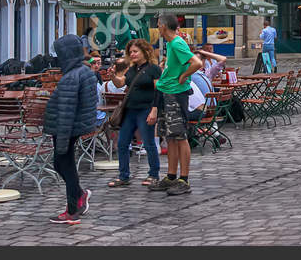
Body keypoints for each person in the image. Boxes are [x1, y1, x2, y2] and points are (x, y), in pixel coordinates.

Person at [43, 34, 98, 225]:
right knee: (61, 164)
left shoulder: (71, 78)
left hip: (65, 128)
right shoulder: (85, 72)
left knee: (64, 164)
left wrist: (62, 140)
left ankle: (72, 209)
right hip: (74, 127)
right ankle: (80, 195)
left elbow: (66, 112)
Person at [149, 14, 202, 196]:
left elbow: (197, 63)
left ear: (164, 26)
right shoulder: (172, 45)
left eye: (158, 25)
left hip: (176, 94)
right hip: (167, 92)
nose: (157, 27)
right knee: (170, 137)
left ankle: (184, 180)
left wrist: (184, 75)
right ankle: (171, 176)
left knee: (180, 136)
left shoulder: (177, 43)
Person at [107, 39, 160, 188]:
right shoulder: (131, 69)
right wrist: (112, 76)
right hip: (130, 110)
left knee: (149, 143)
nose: (133, 54)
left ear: (145, 52)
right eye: (131, 52)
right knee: (122, 143)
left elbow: (158, 90)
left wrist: (154, 110)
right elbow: (120, 83)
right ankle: (124, 175)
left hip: (145, 109)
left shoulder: (153, 69)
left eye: (136, 51)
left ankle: (153, 174)